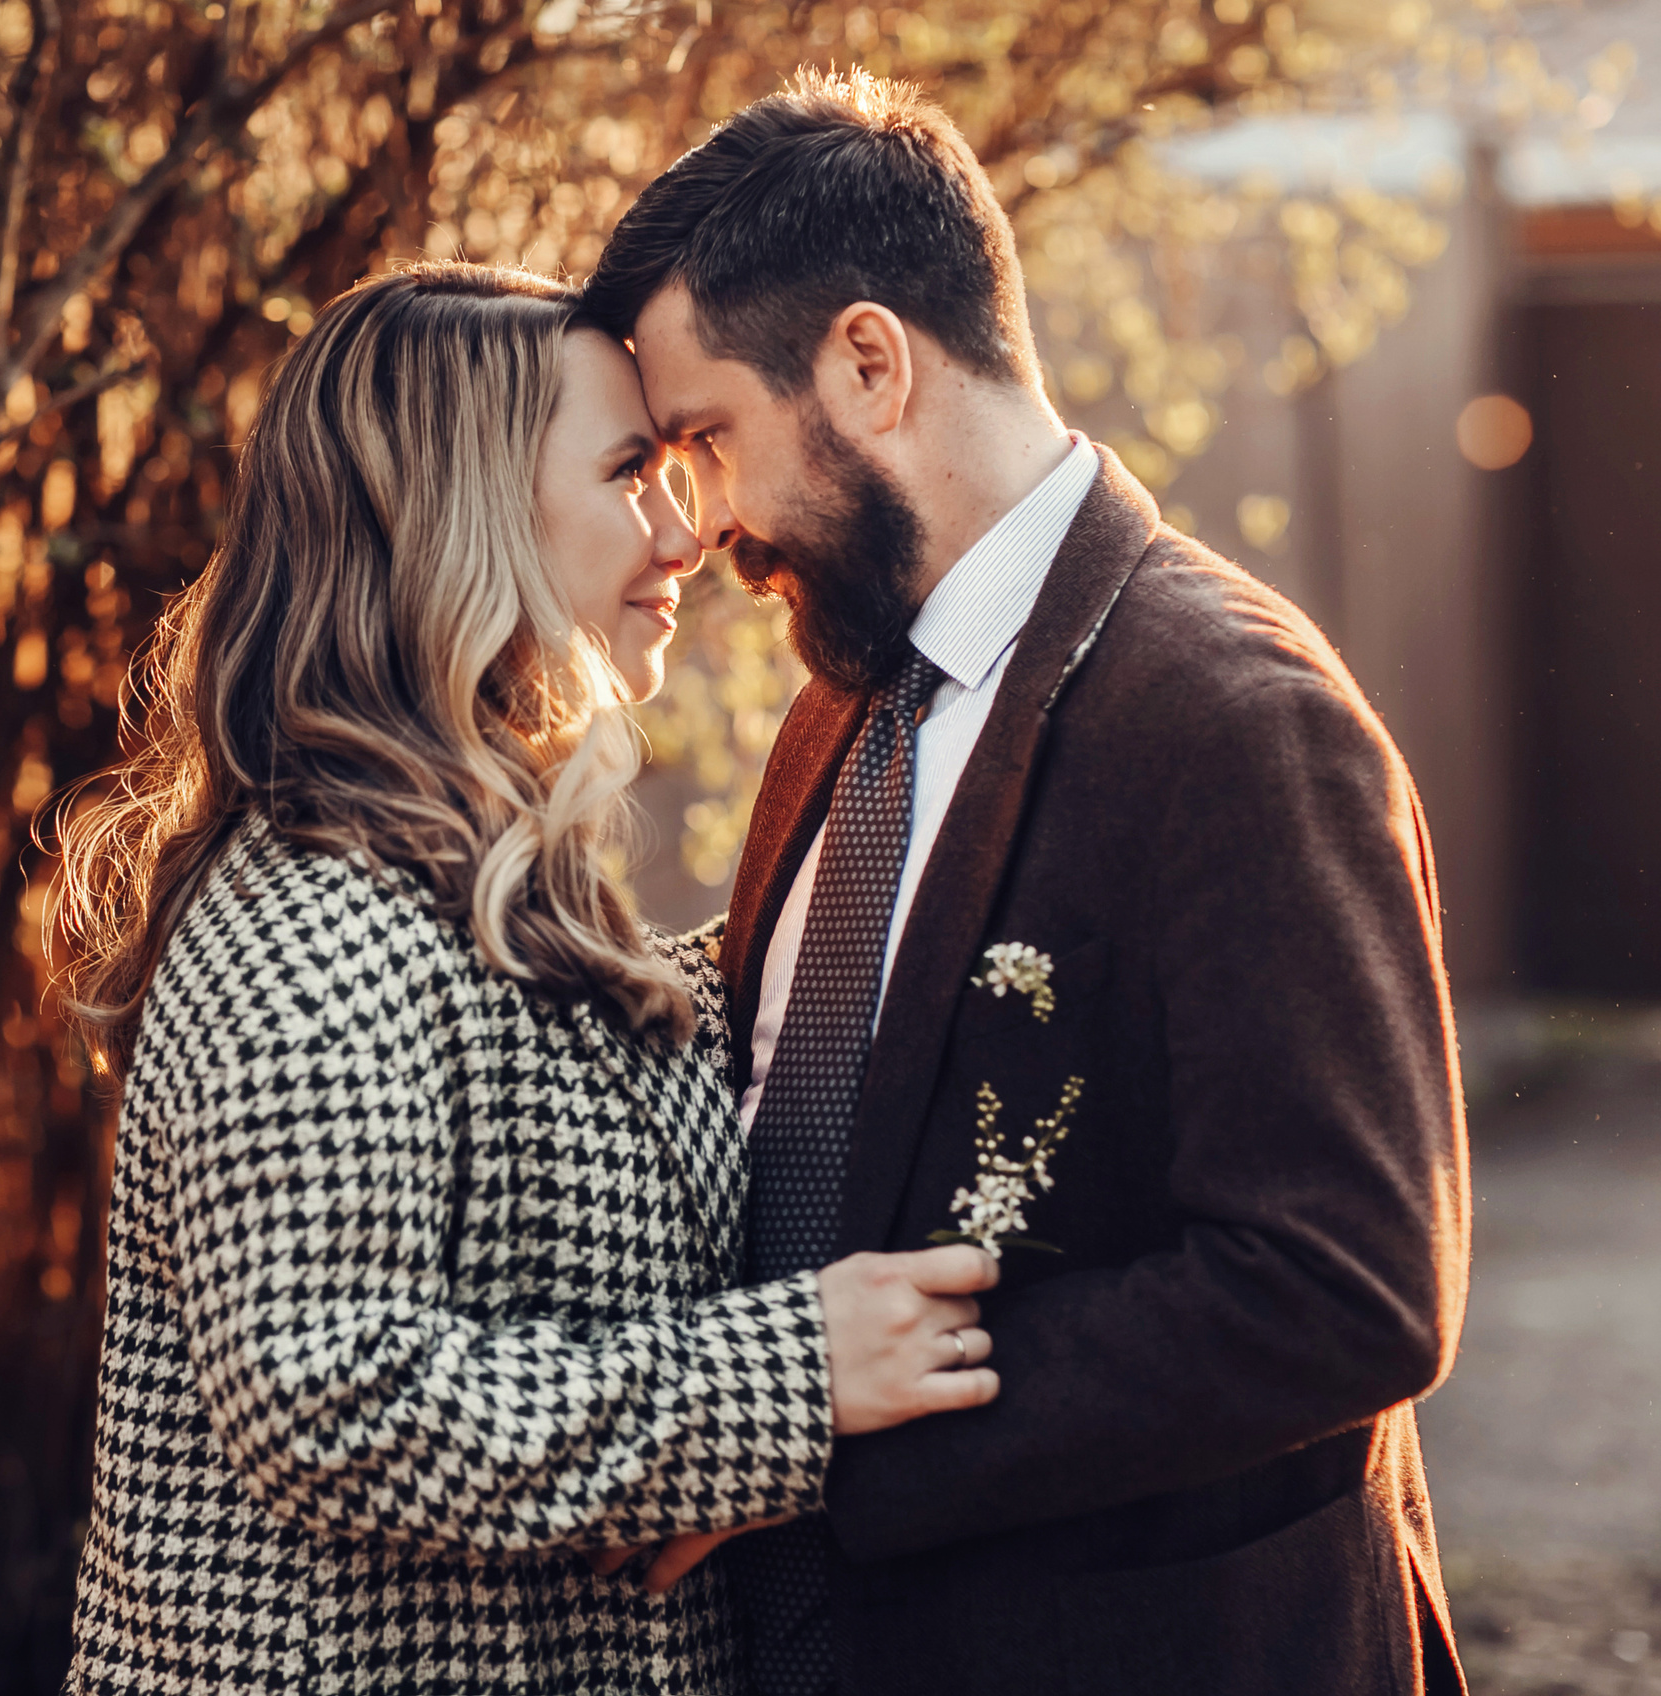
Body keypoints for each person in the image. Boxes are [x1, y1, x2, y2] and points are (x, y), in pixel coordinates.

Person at [578, 68, 1472, 1696]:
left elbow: (1347, 1290)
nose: (706, 528)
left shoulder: (1242, 723)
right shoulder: (841, 706)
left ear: (868, 363)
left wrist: (836, 1436)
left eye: (713, 438)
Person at [52, 262, 1002, 1693]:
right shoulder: (314, 920)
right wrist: (788, 1380)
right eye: (630, 472)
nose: (685, 533)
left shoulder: (482, 878)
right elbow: (331, 1397)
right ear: (463, 516)